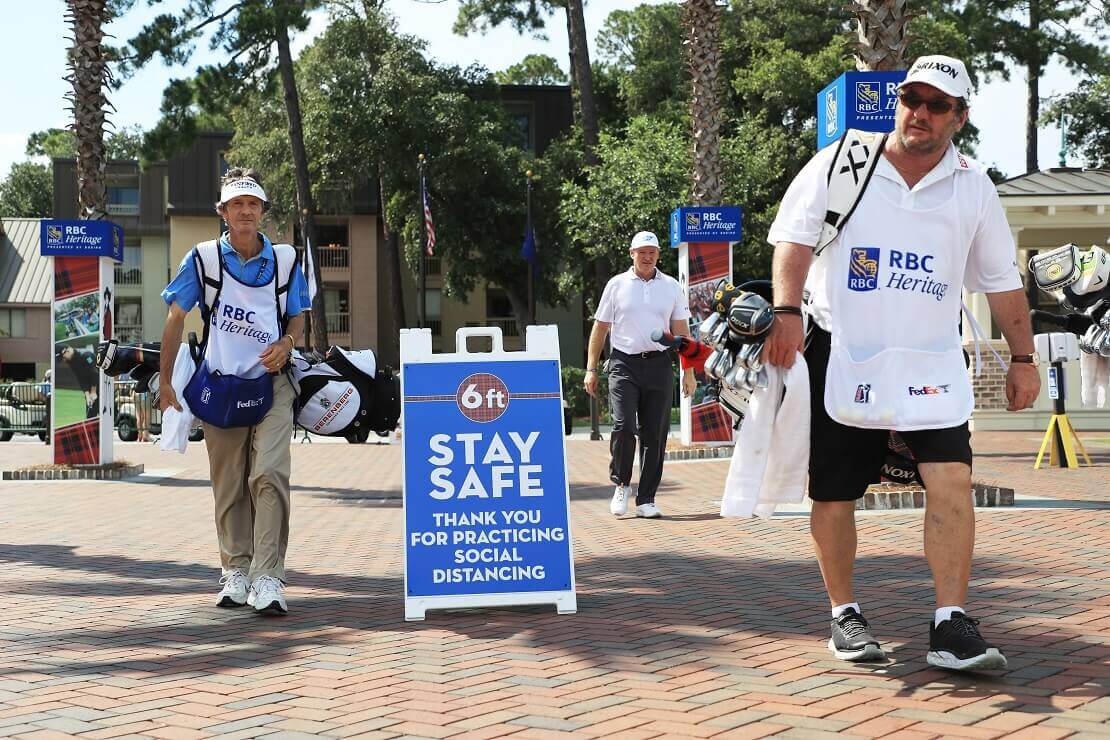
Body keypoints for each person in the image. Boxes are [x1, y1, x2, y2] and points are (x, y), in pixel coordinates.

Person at [764, 55, 1040, 672]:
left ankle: (950, 624)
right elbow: (795, 236)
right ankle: (845, 615)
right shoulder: (844, 160)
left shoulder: (973, 185)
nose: (920, 112)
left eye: (937, 103)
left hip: (930, 360)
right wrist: (785, 310)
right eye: (912, 98)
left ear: (959, 117)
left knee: (953, 480)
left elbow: (1001, 282)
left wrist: (1024, 358)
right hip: (842, 350)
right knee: (835, 491)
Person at [159, 167, 310, 616]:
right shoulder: (204, 259)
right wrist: (167, 382)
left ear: (263, 211)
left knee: (268, 474)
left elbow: (297, 315)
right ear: (223, 211)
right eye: (237, 204)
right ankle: (236, 571)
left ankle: (268, 576)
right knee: (228, 484)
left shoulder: (285, 260)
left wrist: (287, 343)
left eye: (253, 204)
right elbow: (174, 319)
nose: (246, 211)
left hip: (274, 385)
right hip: (220, 387)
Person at [584, 230, 697, 519]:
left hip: (659, 364)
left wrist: (689, 371)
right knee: (623, 426)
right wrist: (591, 369)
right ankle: (621, 484)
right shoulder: (616, 285)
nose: (647, 257)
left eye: (652, 252)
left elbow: (682, 332)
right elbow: (600, 328)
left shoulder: (671, 286)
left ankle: (646, 498)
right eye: (642, 252)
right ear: (631, 253)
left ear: (658, 254)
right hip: (623, 364)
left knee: (655, 434)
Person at [59, 345, 99, 419]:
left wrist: (93, 391)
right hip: (91, 388)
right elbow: (81, 379)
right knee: (90, 416)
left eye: (64, 357)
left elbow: (94, 372)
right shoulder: (72, 362)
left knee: (104, 414)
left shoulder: (87, 356)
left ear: (68, 351)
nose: (64, 360)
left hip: (100, 385)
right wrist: (87, 396)